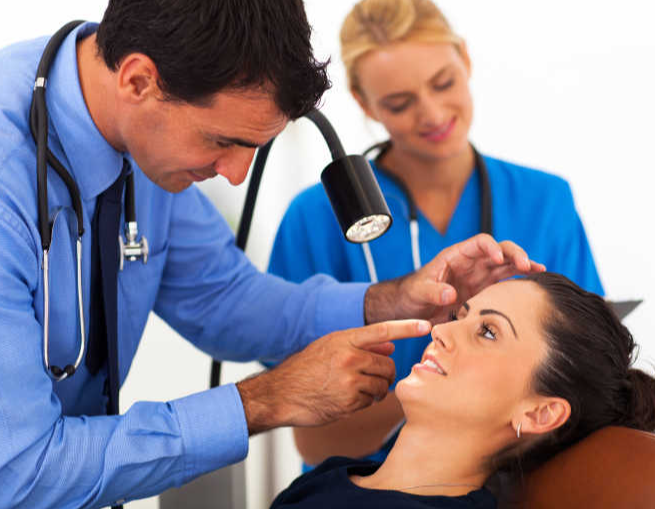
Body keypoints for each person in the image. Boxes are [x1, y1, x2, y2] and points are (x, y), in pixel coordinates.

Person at [0, 0, 546, 507]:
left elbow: (223, 298)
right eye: (221, 141)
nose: (236, 175)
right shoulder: (10, 179)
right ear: (138, 81)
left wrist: (393, 299)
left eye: (253, 148)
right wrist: (266, 399)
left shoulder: (147, 135)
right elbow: (21, 470)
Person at [268, 0, 604, 467]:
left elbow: (587, 377)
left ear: (464, 58)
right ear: (363, 102)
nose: (431, 113)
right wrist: (432, 391)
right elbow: (311, 433)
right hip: (359, 483)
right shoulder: (317, 217)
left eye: (443, 83)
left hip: (510, 482)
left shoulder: (545, 202)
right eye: (399, 103)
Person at [270, 272, 655, 508]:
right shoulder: (335, 475)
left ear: (539, 413)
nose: (441, 330)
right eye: (459, 316)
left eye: (487, 332)